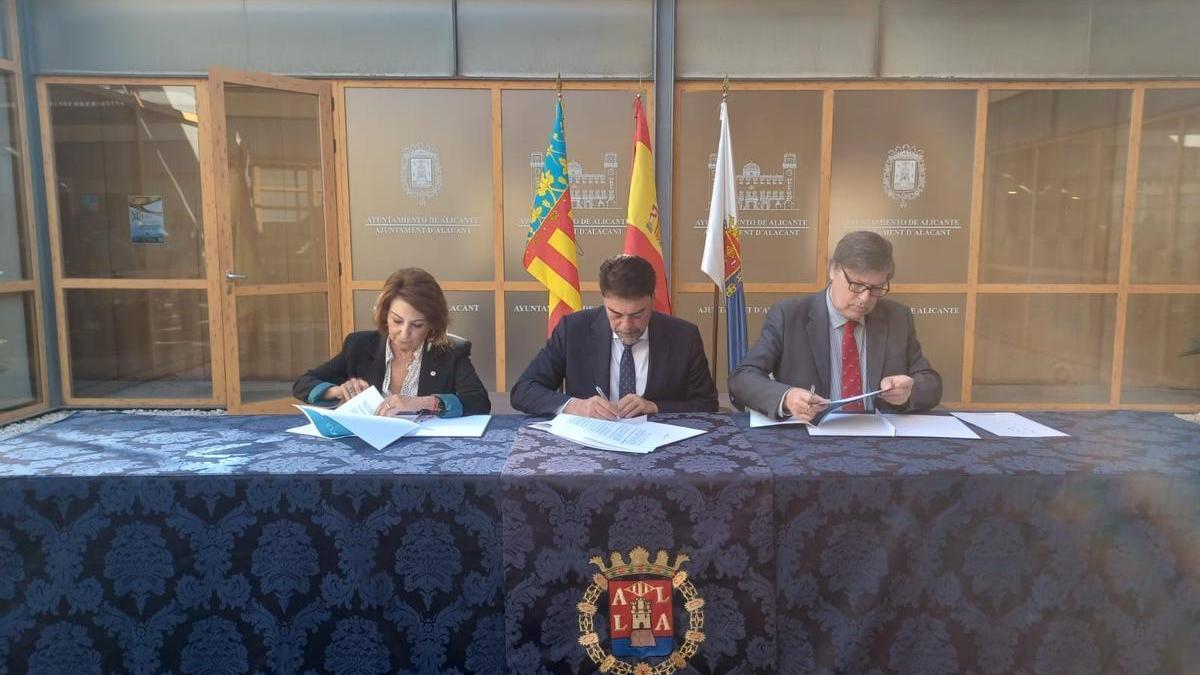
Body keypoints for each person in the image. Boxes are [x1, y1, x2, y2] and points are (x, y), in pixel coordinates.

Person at [729, 230, 941, 422]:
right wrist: (787, 397)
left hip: (880, 437)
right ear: (833, 270)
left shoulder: (897, 317)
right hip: (810, 438)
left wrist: (909, 391)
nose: (865, 298)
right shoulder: (789, 315)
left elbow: (931, 383)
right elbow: (743, 377)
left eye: (876, 288)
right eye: (856, 285)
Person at [511, 254, 718, 418]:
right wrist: (576, 406)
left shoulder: (684, 336)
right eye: (616, 314)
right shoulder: (573, 329)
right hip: (591, 450)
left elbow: (707, 404)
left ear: (652, 299)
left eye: (638, 314)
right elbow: (523, 391)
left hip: (660, 452)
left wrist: (655, 406)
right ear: (603, 299)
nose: (627, 325)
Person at [293, 267, 490, 417]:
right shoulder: (359, 346)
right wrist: (336, 391)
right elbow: (303, 384)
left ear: (432, 325)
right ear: (385, 314)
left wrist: (423, 402)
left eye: (418, 325)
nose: (404, 333)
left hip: (428, 451)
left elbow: (479, 402)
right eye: (397, 321)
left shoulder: (450, 352)